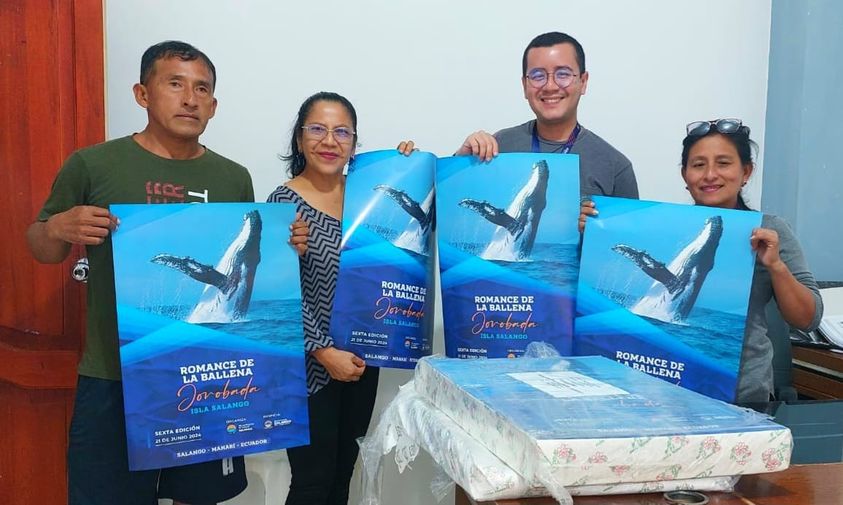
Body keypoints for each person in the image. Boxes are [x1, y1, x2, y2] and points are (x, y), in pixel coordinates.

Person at [26, 41, 306, 505]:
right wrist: (58, 227)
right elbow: (40, 246)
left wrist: (286, 245)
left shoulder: (233, 177)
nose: (190, 99)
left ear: (213, 105)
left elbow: (248, 263)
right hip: (114, 375)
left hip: (207, 375)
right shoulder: (93, 164)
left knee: (200, 497)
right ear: (143, 94)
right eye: (175, 84)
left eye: (202, 89)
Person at [267, 91, 415, 505]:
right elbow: (279, 295)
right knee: (312, 481)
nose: (329, 141)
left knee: (343, 473)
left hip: (362, 358)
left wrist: (408, 168)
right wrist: (322, 350)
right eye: (317, 129)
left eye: (342, 132)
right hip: (308, 365)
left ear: (353, 143)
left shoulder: (369, 199)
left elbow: (413, 231)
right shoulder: (283, 204)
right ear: (300, 139)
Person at [679, 118, 823, 402]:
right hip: (670, 389)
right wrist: (594, 228)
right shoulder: (666, 227)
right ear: (685, 174)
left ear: (746, 171)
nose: (710, 174)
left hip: (743, 395)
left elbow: (808, 319)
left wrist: (776, 266)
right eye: (698, 165)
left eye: (723, 163)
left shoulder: (771, 230)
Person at [455, 31, 638, 205]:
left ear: (583, 82)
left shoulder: (615, 167)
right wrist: (461, 160)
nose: (550, 86)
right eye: (537, 76)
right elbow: (453, 209)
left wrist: (592, 225)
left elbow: (628, 228)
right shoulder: (498, 147)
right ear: (525, 85)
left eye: (563, 74)